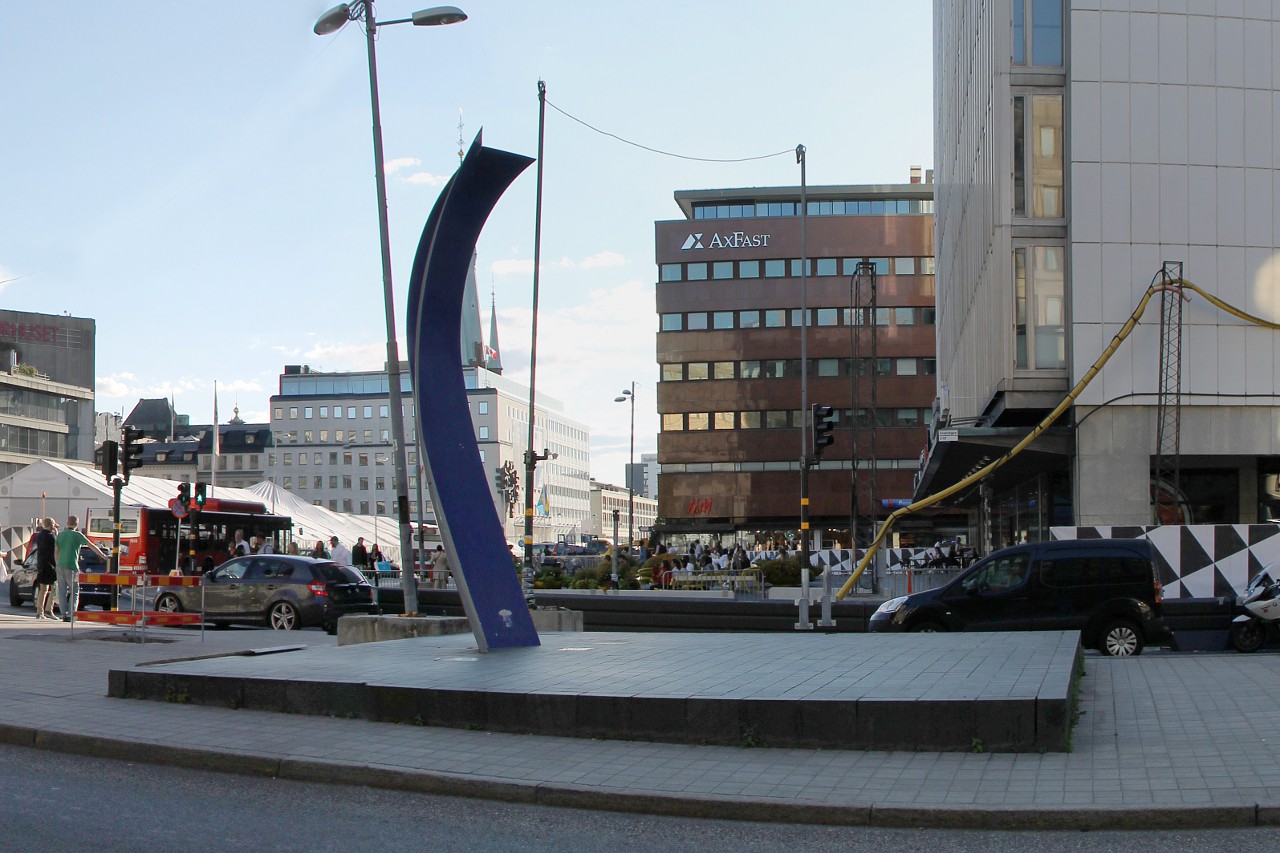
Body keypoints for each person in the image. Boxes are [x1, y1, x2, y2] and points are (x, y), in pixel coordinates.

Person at [53, 515, 105, 622]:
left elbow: (56, 551)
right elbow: (91, 546)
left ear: (67, 523)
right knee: (74, 590)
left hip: (60, 565)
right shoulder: (78, 535)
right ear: (77, 525)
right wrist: (103, 555)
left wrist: (57, 563)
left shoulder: (61, 535)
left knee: (62, 591)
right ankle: (72, 613)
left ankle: (63, 614)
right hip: (72, 565)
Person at [32, 517, 58, 620]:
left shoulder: (39, 536)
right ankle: (48, 609)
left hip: (41, 564)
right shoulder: (51, 537)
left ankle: (40, 611)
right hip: (50, 565)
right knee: (53, 588)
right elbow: (56, 549)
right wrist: (56, 534)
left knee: (43, 589)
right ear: (51, 525)